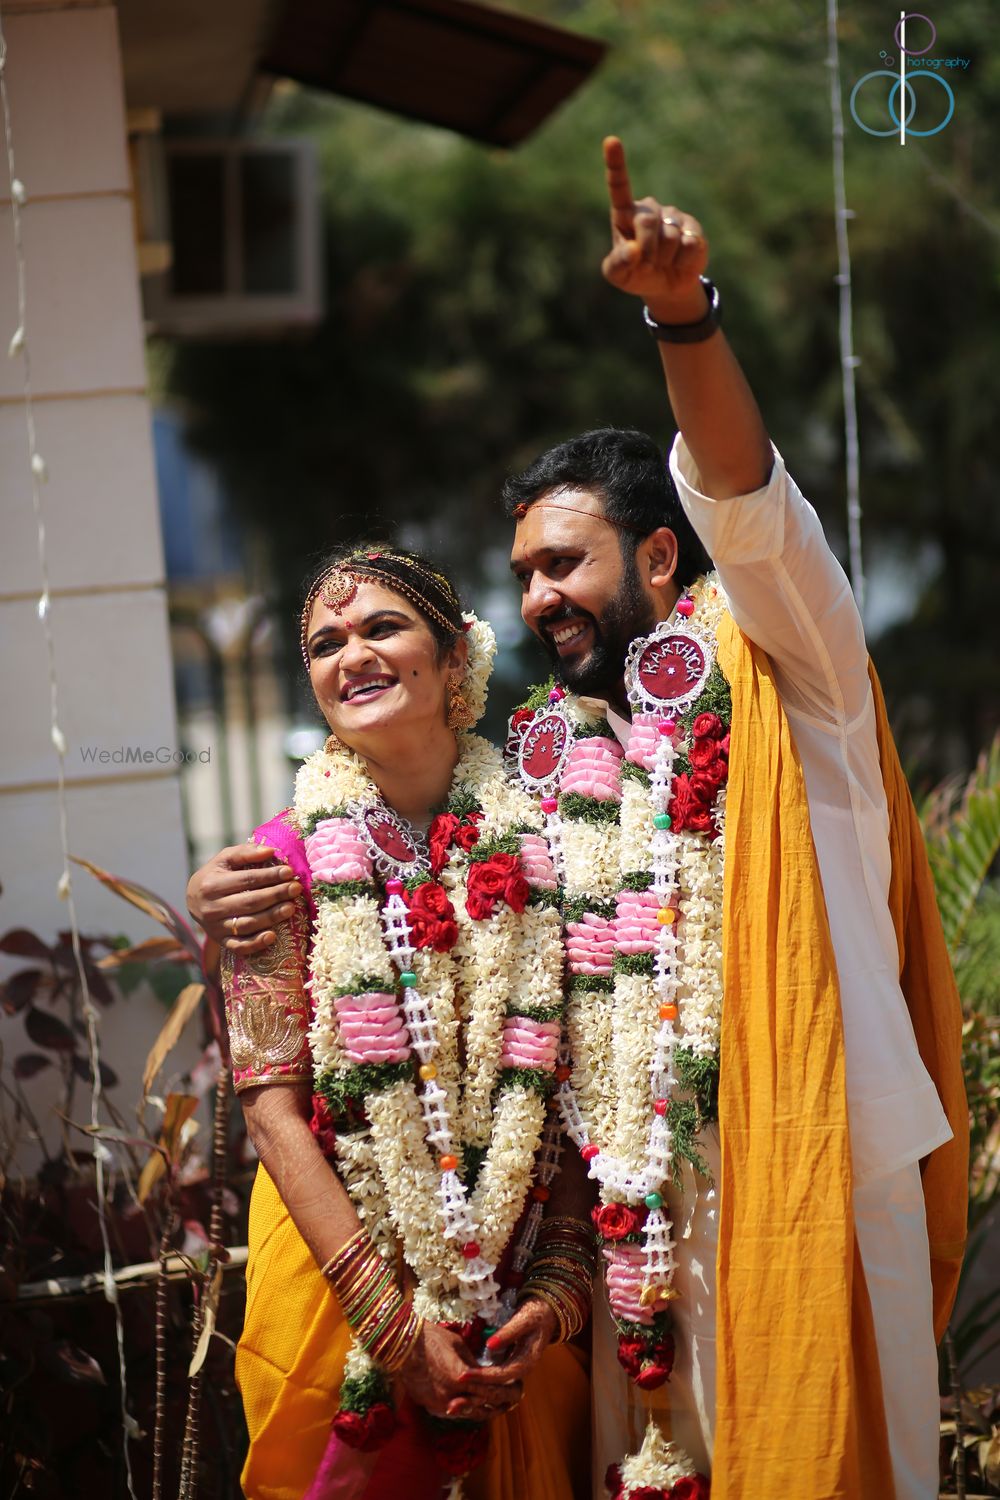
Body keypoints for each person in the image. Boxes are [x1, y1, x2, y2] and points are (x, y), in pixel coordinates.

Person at [190, 139, 968, 1500]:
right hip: (629, 1236)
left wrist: (682, 318)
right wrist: (239, 894)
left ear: (659, 556)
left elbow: (745, 494)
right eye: (520, 574)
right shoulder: (553, 775)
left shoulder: (793, 671)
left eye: (566, 560)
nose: (539, 594)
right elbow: (425, 899)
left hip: (804, 1180)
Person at [217, 543, 595, 1500]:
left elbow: (579, 1067)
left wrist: (555, 1284)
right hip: (338, 1275)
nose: (352, 655)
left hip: (519, 1293)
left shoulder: (550, 839)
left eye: (382, 627)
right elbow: (269, 1108)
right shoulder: (272, 869)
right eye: (325, 644)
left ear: (456, 657)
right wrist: (389, 1323)